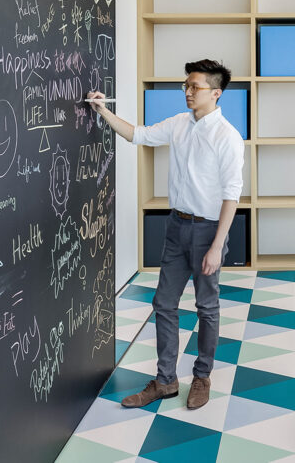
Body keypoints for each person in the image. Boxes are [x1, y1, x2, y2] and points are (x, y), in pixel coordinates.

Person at [86, 59, 244, 411]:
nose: (188, 92)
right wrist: (100, 110)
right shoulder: (178, 124)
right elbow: (137, 135)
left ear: (216, 93)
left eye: (195, 87)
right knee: (163, 304)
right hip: (176, 227)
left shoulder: (228, 137)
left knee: (207, 307)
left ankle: (202, 376)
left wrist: (217, 245)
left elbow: (232, 194)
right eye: (185, 85)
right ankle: (166, 381)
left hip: (207, 231)